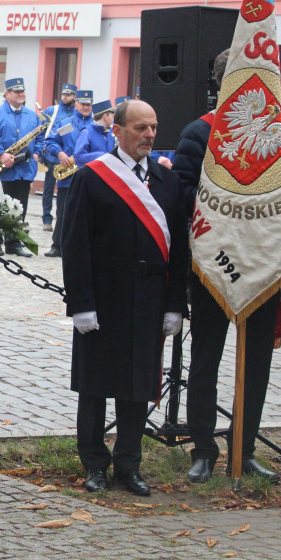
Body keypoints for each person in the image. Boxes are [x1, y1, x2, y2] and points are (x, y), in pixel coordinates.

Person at [173, 49, 281, 484]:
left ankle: (244, 450)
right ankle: (204, 450)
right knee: (205, 361)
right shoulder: (199, 133)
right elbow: (184, 195)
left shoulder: (280, 137)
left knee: (257, 365)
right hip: (215, 266)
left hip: (264, 270)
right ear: (224, 83)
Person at [62, 99, 187, 496]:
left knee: (138, 387)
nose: (149, 135)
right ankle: (94, 464)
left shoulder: (168, 183)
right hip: (104, 295)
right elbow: (75, 244)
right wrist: (80, 303)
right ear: (117, 131)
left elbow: (180, 249)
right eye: (140, 128)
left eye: (153, 127)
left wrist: (174, 304)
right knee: (96, 386)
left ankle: (128, 465)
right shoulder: (93, 178)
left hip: (150, 296)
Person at [0, 77, 41, 257]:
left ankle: (14, 243)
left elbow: (40, 138)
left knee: (19, 208)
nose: (21, 94)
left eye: (22, 91)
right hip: (2, 168)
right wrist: (1, 154)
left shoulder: (32, 115)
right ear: (7, 94)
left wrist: (37, 152)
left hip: (24, 170)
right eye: (16, 92)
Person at [41, 89, 93, 257]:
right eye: (83, 104)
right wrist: (60, 153)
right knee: (63, 212)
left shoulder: (95, 126)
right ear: (76, 104)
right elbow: (50, 141)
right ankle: (57, 245)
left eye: (88, 104)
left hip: (88, 176)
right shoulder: (66, 123)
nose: (85, 107)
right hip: (67, 176)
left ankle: (79, 247)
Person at [40, 84, 78, 232]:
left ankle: (62, 220)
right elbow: (42, 129)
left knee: (66, 191)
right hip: (51, 156)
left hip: (68, 160)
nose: (65, 97)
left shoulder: (76, 112)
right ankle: (47, 219)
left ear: (74, 96)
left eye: (69, 95)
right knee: (48, 188)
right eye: (63, 94)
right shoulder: (52, 110)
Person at [72, 99, 115, 168]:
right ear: (105, 117)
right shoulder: (86, 132)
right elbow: (78, 157)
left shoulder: (110, 135)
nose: (113, 120)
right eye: (112, 116)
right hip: (91, 175)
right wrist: (101, 156)